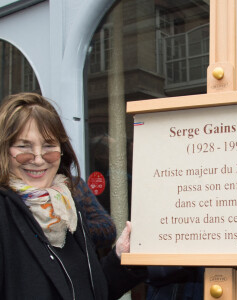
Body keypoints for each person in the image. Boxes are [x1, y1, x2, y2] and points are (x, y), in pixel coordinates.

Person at [0, 92, 147, 299]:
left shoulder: (68, 208)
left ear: (61, 151)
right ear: (4, 151)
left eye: (49, 146)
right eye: (24, 146)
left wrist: (121, 256)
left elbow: (91, 290)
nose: (39, 159)